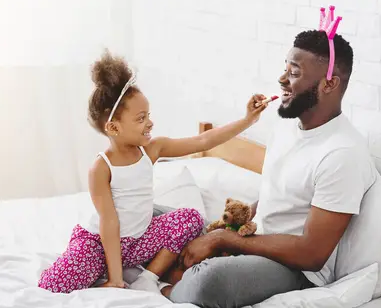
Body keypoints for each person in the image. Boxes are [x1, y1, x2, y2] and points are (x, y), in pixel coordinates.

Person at [158, 29, 381, 307]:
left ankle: (171, 287)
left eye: (295, 73)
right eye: (285, 68)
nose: (282, 79)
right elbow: (280, 195)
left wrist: (223, 241)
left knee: (209, 281)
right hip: (252, 241)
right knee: (154, 218)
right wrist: (230, 227)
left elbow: (312, 254)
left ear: (328, 84)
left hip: (292, 268)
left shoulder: (342, 154)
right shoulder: (288, 126)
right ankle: (173, 273)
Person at [37, 50, 269, 294]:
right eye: (140, 119)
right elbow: (109, 222)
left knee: (190, 218)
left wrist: (247, 120)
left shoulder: (152, 149)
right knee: (51, 286)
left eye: (148, 115)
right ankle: (109, 269)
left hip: (138, 240)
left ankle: (148, 277)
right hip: (100, 243)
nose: (150, 122)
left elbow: (203, 142)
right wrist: (115, 278)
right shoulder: (101, 168)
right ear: (114, 127)